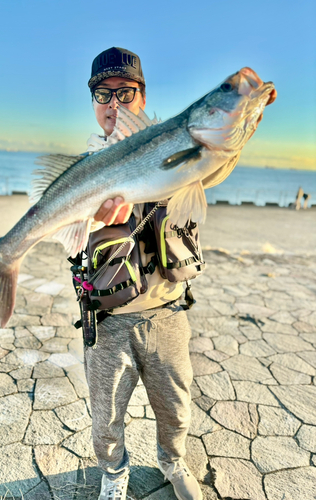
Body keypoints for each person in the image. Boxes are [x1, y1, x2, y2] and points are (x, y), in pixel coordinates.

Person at [81, 47, 277, 500]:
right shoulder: (89, 162)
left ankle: (171, 460)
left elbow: (217, 160)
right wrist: (97, 217)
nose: (114, 104)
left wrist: (244, 115)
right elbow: (71, 234)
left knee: (176, 407)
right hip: (107, 320)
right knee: (104, 415)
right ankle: (114, 473)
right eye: (102, 94)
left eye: (125, 93)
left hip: (168, 312)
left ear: (142, 96)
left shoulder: (179, 143)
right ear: (92, 101)